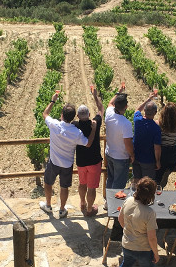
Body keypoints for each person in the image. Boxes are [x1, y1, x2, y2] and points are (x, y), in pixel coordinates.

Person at [40, 92, 96, 219]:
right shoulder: (76, 132)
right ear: (73, 118)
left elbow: (45, 114)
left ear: (61, 115)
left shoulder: (54, 125)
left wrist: (53, 101)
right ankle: (61, 210)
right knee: (64, 187)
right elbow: (88, 144)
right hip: (67, 165)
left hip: (54, 162)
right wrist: (93, 129)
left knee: (48, 183)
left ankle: (48, 205)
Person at [107, 177, 160, 267]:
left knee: (125, 266)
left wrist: (129, 231)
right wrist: (156, 254)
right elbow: (152, 238)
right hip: (143, 249)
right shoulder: (149, 212)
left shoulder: (128, 200)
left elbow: (120, 219)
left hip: (127, 245)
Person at [75, 87, 104, 216]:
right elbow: (101, 110)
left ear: (77, 116)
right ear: (89, 115)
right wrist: (95, 96)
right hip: (94, 161)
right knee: (91, 187)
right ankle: (89, 209)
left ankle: (82, 203)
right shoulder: (95, 123)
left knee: (82, 183)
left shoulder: (74, 125)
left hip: (81, 162)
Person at [105, 87, 134, 190]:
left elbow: (110, 103)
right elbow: (127, 143)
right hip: (120, 157)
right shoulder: (126, 123)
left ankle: (108, 202)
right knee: (118, 183)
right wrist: (132, 155)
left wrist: (118, 92)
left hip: (109, 153)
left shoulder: (109, 114)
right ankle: (113, 204)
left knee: (111, 179)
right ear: (126, 106)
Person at [132, 91, 161, 182]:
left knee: (136, 181)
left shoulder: (137, 120)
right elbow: (157, 148)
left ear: (144, 110)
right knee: (147, 184)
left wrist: (148, 99)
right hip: (148, 160)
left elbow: (137, 110)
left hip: (136, 157)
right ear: (155, 112)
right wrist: (158, 161)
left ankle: (136, 196)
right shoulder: (156, 128)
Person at [155, 102, 176, 188]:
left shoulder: (159, 124)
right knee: (169, 167)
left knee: (158, 175)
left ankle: (158, 186)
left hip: (162, 151)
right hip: (173, 152)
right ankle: (167, 171)